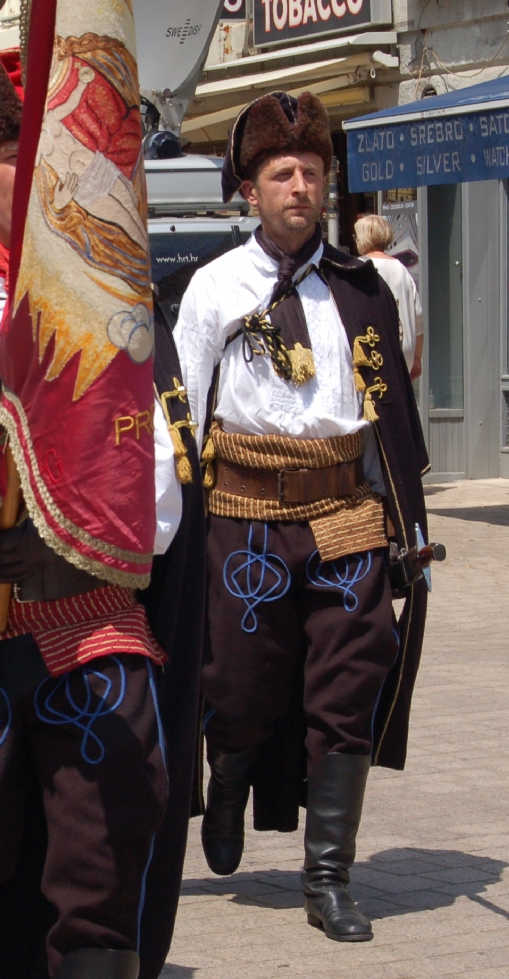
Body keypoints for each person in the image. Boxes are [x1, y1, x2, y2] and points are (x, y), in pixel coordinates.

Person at [173, 91, 431, 943]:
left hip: (344, 509)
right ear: (251, 191)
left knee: (350, 685)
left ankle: (328, 877)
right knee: (240, 681)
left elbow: (390, 412)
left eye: (312, 172)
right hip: (242, 508)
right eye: (282, 173)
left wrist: (404, 523)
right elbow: (183, 412)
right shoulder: (213, 288)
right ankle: (230, 774)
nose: (300, 186)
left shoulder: (363, 287)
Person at [354, 214, 424, 380]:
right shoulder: (401, 269)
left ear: (364, 238)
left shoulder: (358, 268)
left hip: (373, 351)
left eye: (356, 236)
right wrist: (417, 358)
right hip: (403, 351)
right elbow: (418, 316)